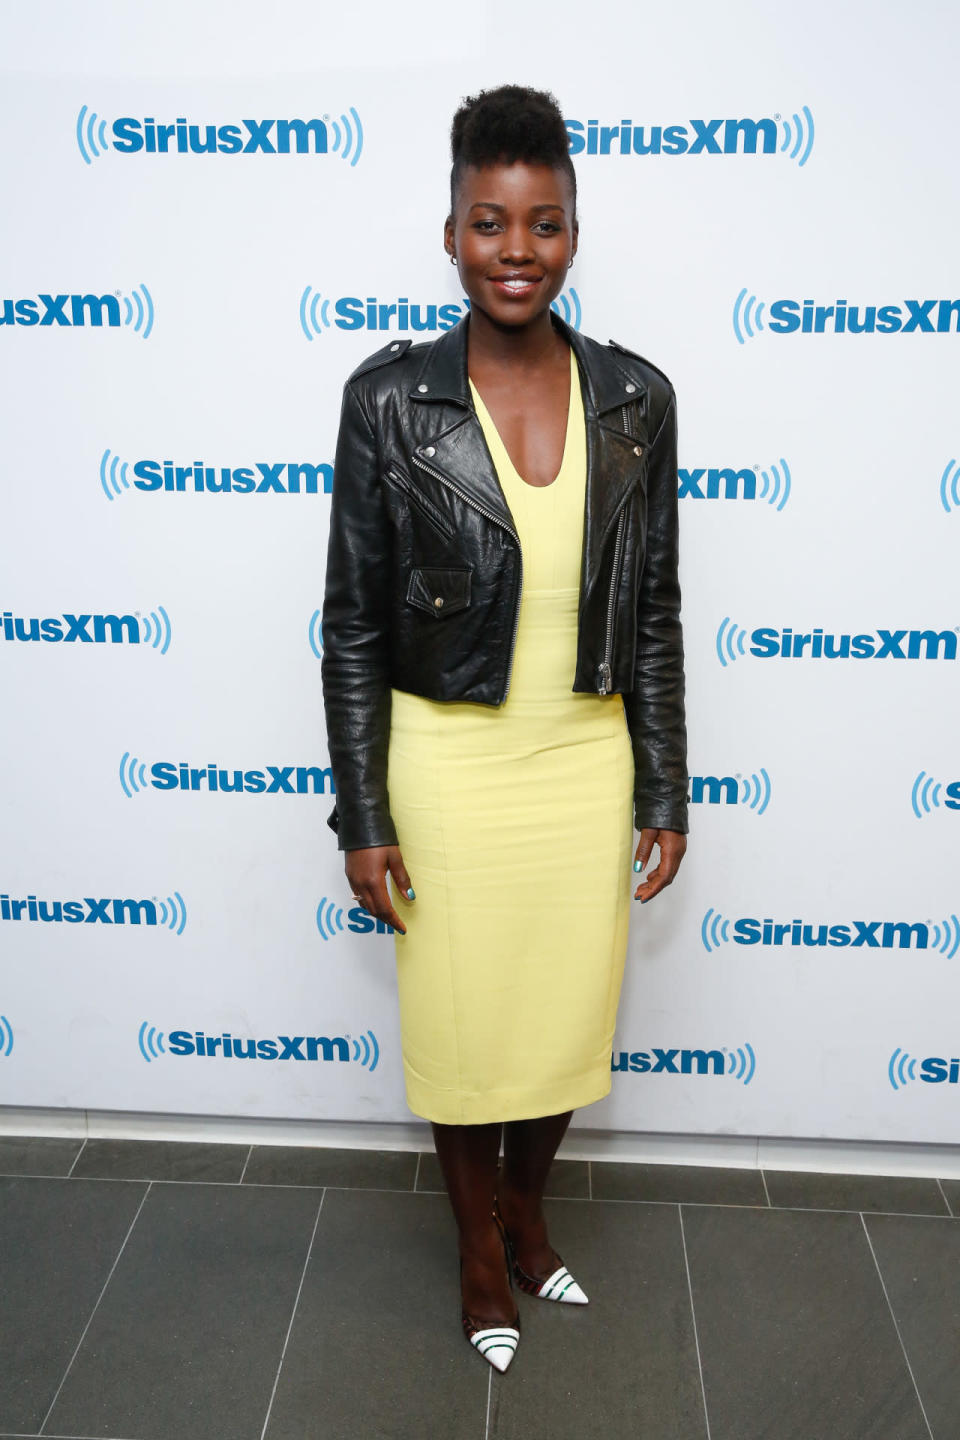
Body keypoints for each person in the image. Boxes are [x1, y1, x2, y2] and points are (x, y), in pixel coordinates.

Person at [321, 84, 688, 1374]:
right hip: (449, 767)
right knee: (471, 1023)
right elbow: (353, 624)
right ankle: (478, 1247)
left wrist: (664, 789)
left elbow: (652, 612)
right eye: (490, 223)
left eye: (542, 224)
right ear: (450, 233)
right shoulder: (389, 405)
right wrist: (364, 818)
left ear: (576, 233)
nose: (516, 250)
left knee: (564, 1014)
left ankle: (527, 1215)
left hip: (583, 760)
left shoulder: (639, 400)